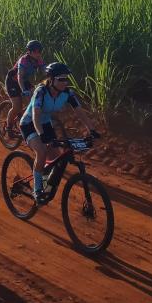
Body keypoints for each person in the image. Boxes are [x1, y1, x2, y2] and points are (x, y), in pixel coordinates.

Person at [19, 62, 98, 201]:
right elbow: (35, 115)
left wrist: (92, 130)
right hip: (30, 124)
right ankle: (37, 190)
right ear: (51, 79)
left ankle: (44, 181)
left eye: (66, 79)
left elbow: (80, 113)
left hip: (45, 124)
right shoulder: (41, 91)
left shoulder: (67, 93)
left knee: (56, 157)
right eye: (61, 79)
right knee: (42, 152)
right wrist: (41, 135)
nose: (64, 82)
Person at [3, 40, 45, 136]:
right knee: (17, 106)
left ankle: (24, 119)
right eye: (35, 51)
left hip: (24, 81)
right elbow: (20, 77)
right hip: (13, 81)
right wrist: (24, 90)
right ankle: (8, 127)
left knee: (34, 102)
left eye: (39, 51)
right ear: (29, 52)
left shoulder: (39, 59)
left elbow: (45, 71)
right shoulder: (24, 60)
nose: (38, 54)